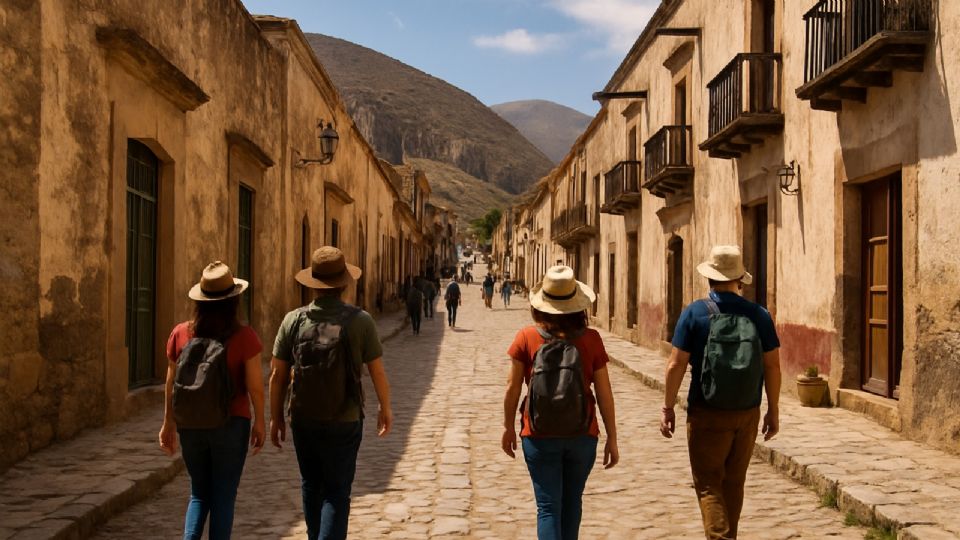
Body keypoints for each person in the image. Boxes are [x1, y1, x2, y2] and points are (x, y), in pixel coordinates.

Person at [269, 246, 393, 540]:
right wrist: (384, 407)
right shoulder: (360, 321)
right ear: (343, 283)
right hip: (346, 417)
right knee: (337, 493)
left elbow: (277, 375)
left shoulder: (293, 321)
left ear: (313, 283)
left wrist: (276, 418)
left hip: (303, 417)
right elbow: (377, 371)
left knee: (311, 484)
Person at [660, 245, 781, 540]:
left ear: (710, 278)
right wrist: (773, 410)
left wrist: (668, 408)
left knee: (708, 484)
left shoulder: (695, 313)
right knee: (734, 482)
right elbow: (773, 367)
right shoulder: (759, 315)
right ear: (739, 279)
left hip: (707, 412)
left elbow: (676, 364)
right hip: (747, 412)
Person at [502, 266, 619, 540]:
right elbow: (604, 392)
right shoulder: (591, 340)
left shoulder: (526, 338)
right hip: (582, 434)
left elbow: (512, 387)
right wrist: (612, 437)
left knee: (548, 508)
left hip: (538, 434)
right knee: (572, 503)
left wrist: (508, 427)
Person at [159, 261, 265, 540]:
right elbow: (255, 387)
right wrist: (261, 422)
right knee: (224, 496)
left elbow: (171, 383)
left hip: (191, 425)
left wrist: (168, 422)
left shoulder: (181, 333)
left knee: (199, 494)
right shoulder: (244, 336)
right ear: (234, 300)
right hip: (232, 424)